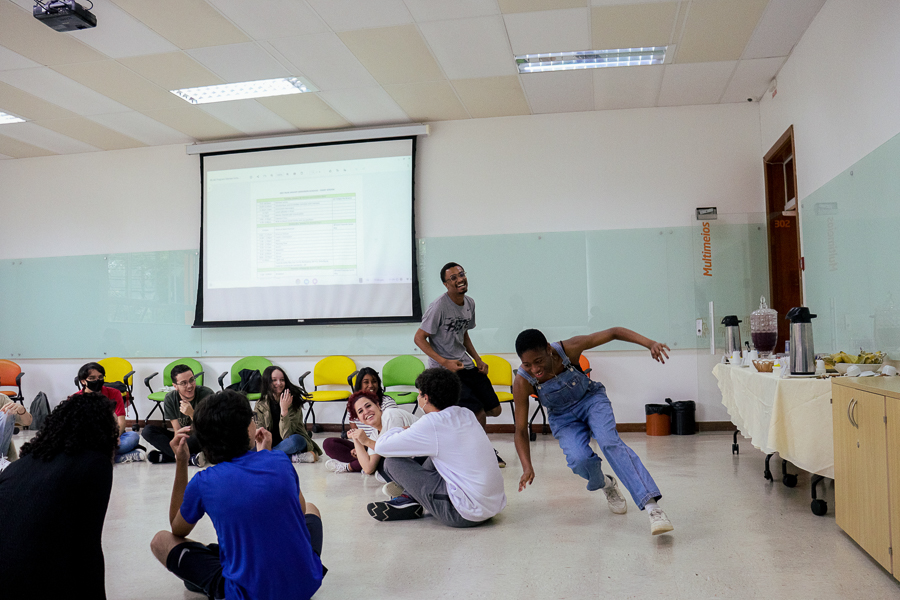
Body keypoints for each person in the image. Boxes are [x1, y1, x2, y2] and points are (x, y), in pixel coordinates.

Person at [150, 390, 325, 600]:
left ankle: (213, 581)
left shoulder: (204, 481)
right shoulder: (279, 460)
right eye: (252, 418)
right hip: (305, 584)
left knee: (161, 541)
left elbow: (177, 529)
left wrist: (181, 462)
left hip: (249, 594)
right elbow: (300, 510)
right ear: (247, 430)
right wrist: (266, 454)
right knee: (311, 508)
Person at [513, 327, 674, 536]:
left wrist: (650, 343)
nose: (535, 369)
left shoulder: (569, 349)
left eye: (538, 361)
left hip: (591, 400)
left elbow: (614, 332)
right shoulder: (523, 381)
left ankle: (653, 508)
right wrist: (527, 466)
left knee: (609, 443)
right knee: (579, 460)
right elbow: (520, 430)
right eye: (527, 364)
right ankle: (607, 484)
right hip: (562, 418)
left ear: (548, 349)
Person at [0, 393, 119, 598]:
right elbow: (87, 546)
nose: (117, 437)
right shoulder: (94, 465)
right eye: (113, 429)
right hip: (34, 581)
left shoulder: (19, 465)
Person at [366, 368, 507, 527]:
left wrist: (399, 429)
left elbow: (382, 446)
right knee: (436, 455)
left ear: (426, 398)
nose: (418, 398)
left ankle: (410, 497)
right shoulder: (465, 413)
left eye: (420, 394)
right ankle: (409, 498)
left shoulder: (432, 423)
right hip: (492, 506)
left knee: (392, 463)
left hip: (464, 513)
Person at [414, 262, 505, 467]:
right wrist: (444, 362)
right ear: (446, 284)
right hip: (444, 372)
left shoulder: (470, 303)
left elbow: (463, 334)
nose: (459, 279)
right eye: (453, 278)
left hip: (465, 364)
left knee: (495, 409)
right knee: (477, 412)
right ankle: (481, 453)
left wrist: (478, 359)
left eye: (461, 274)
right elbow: (419, 338)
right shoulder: (438, 307)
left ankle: (465, 442)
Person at [323, 391, 418, 490]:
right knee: (382, 466)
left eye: (368, 406)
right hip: (410, 463)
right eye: (360, 411)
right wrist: (356, 439)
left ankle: (401, 485)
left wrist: (366, 441)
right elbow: (368, 468)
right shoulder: (374, 434)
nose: (366, 412)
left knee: (387, 463)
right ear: (359, 420)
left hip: (424, 459)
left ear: (378, 405)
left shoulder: (390, 415)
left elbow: (395, 453)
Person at [141, 364, 214, 465]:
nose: (189, 385)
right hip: (185, 437)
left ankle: (168, 456)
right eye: (183, 383)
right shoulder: (170, 399)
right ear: (175, 386)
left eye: (192, 380)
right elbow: (177, 431)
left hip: (202, 435)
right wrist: (178, 445)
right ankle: (189, 459)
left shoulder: (207, 394)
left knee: (200, 436)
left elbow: (210, 428)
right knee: (147, 431)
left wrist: (192, 413)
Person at [75, 362, 145, 463]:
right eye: (92, 378)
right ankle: (118, 457)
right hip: (88, 439)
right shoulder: (75, 398)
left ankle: (98, 457)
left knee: (133, 437)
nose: (97, 381)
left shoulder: (114, 393)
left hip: (111, 437)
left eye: (100, 377)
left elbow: (121, 421)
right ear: (83, 381)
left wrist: (114, 437)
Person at [255, 365, 320, 463]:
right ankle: (293, 458)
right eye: (274, 380)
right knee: (248, 445)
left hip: (289, 442)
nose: (279, 383)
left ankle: (265, 456)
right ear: (267, 382)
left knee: (296, 441)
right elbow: (259, 431)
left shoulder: (293, 400)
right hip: (271, 442)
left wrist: (284, 410)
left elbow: (287, 435)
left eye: (282, 380)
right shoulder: (260, 404)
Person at [0, 395, 31, 470]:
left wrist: (21, 410)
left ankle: (1, 461)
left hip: (3, 453)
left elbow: (28, 422)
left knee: (8, 411)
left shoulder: (2, 399)